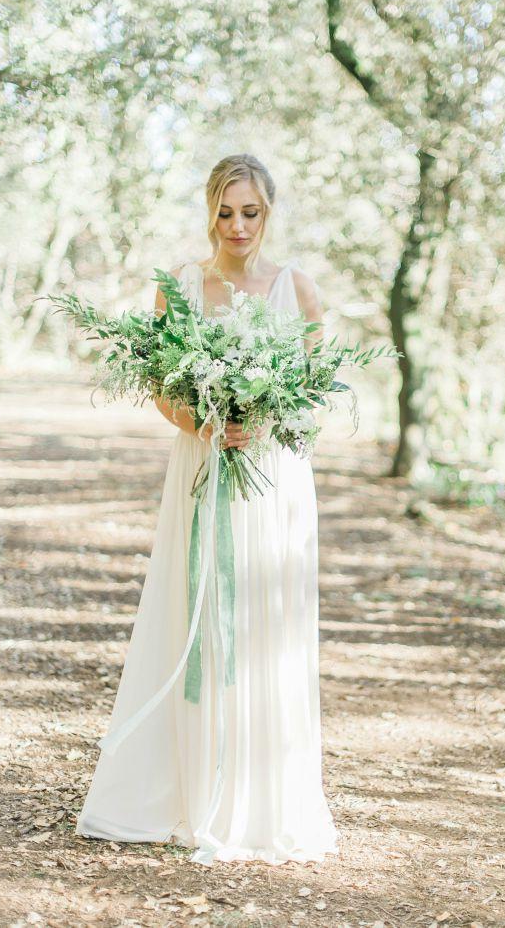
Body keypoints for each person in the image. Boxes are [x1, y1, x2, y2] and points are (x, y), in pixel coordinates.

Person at [75, 153, 340, 866]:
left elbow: (315, 400)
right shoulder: (181, 289)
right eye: (225, 211)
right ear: (209, 211)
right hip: (202, 468)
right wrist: (203, 423)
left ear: (269, 212)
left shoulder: (299, 291)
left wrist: (267, 417)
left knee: (262, 625)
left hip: (272, 479)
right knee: (198, 619)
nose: (237, 226)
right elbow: (163, 389)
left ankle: (262, 801)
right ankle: (191, 792)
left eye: (249, 211)